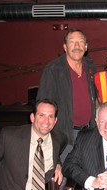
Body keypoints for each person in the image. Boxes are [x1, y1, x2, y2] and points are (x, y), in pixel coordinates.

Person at [36, 28, 97, 162]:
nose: (77, 46)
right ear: (65, 47)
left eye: (81, 42)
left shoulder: (91, 68)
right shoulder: (53, 70)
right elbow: (43, 105)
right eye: (72, 42)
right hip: (64, 136)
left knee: (87, 178)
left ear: (86, 47)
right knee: (63, 178)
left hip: (88, 134)